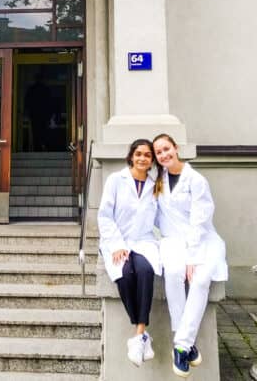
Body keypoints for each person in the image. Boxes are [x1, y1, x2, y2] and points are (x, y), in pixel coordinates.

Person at [152, 133, 228, 378]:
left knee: (200, 279)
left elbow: (200, 219)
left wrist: (193, 257)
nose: (163, 155)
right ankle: (187, 344)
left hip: (202, 241)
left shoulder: (196, 180)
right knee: (173, 273)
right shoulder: (159, 180)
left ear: (176, 148)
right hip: (172, 242)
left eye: (166, 149)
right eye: (159, 152)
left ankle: (181, 345)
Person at [98, 139, 161, 367]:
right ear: (131, 156)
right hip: (118, 241)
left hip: (143, 242)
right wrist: (116, 245)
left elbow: (161, 219)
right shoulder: (116, 180)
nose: (143, 158)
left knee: (145, 271)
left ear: (152, 160)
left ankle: (139, 333)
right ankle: (142, 336)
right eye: (138, 154)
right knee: (125, 276)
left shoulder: (155, 185)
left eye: (147, 155)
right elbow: (105, 215)